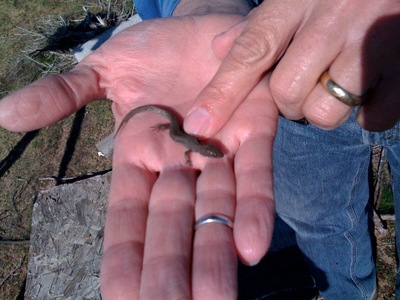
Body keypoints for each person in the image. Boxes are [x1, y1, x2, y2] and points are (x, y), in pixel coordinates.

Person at [0, 0, 398, 299]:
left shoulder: (200, 149)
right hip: (288, 80)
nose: (208, 154)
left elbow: (193, 146)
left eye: (205, 154)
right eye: (206, 154)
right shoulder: (194, 146)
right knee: (317, 218)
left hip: (298, 77)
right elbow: (186, 141)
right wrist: (209, 7)